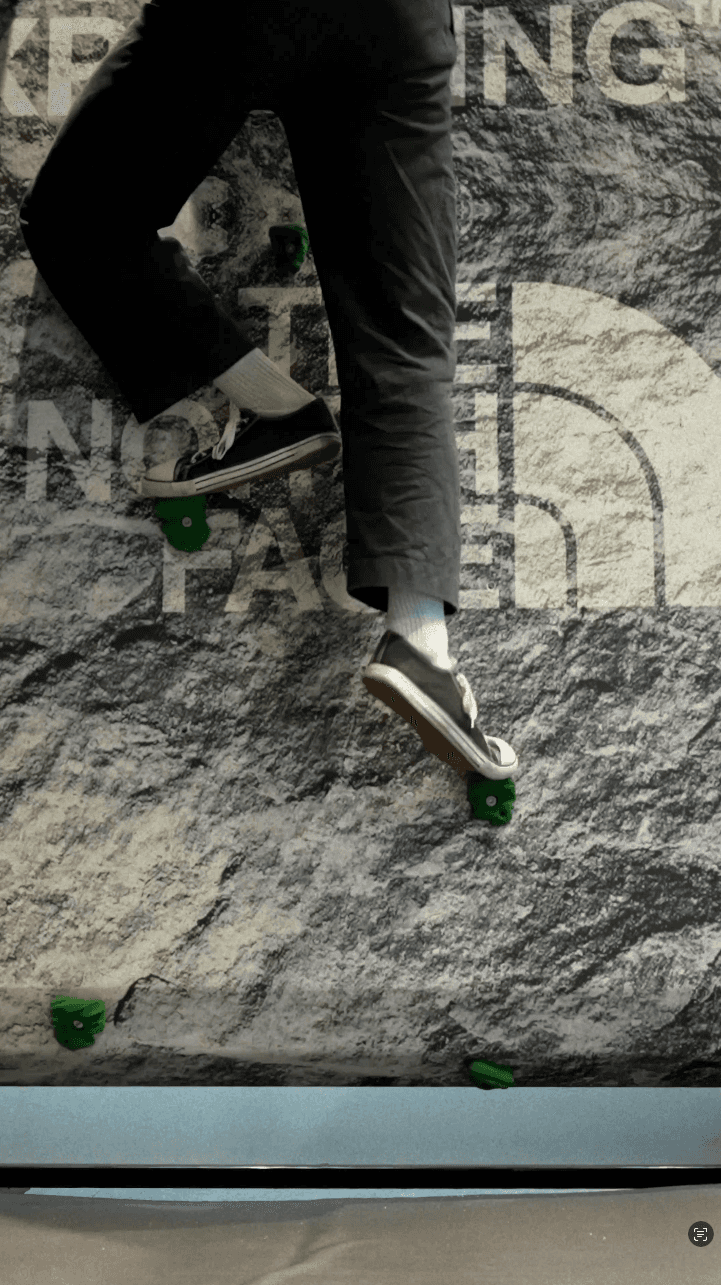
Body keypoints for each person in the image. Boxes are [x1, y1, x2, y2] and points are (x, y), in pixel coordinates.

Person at [18, 0, 517, 791]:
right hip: (398, 24)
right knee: (402, 336)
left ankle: (267, 401)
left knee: (80, 215)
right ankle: (421, 643)